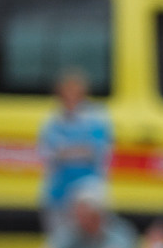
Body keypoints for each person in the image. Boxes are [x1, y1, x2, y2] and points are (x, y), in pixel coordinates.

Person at [35, 67, 113, 236]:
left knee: (88, 236)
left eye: (75, 91)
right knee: (58, 238)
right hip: (58, 191)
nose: (70, 96)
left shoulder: (96, 118)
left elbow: (95, 151)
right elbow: (47, 153)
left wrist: (64, 151)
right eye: (66, 92)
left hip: (88, 188)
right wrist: (76, 150)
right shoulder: (52, 120)